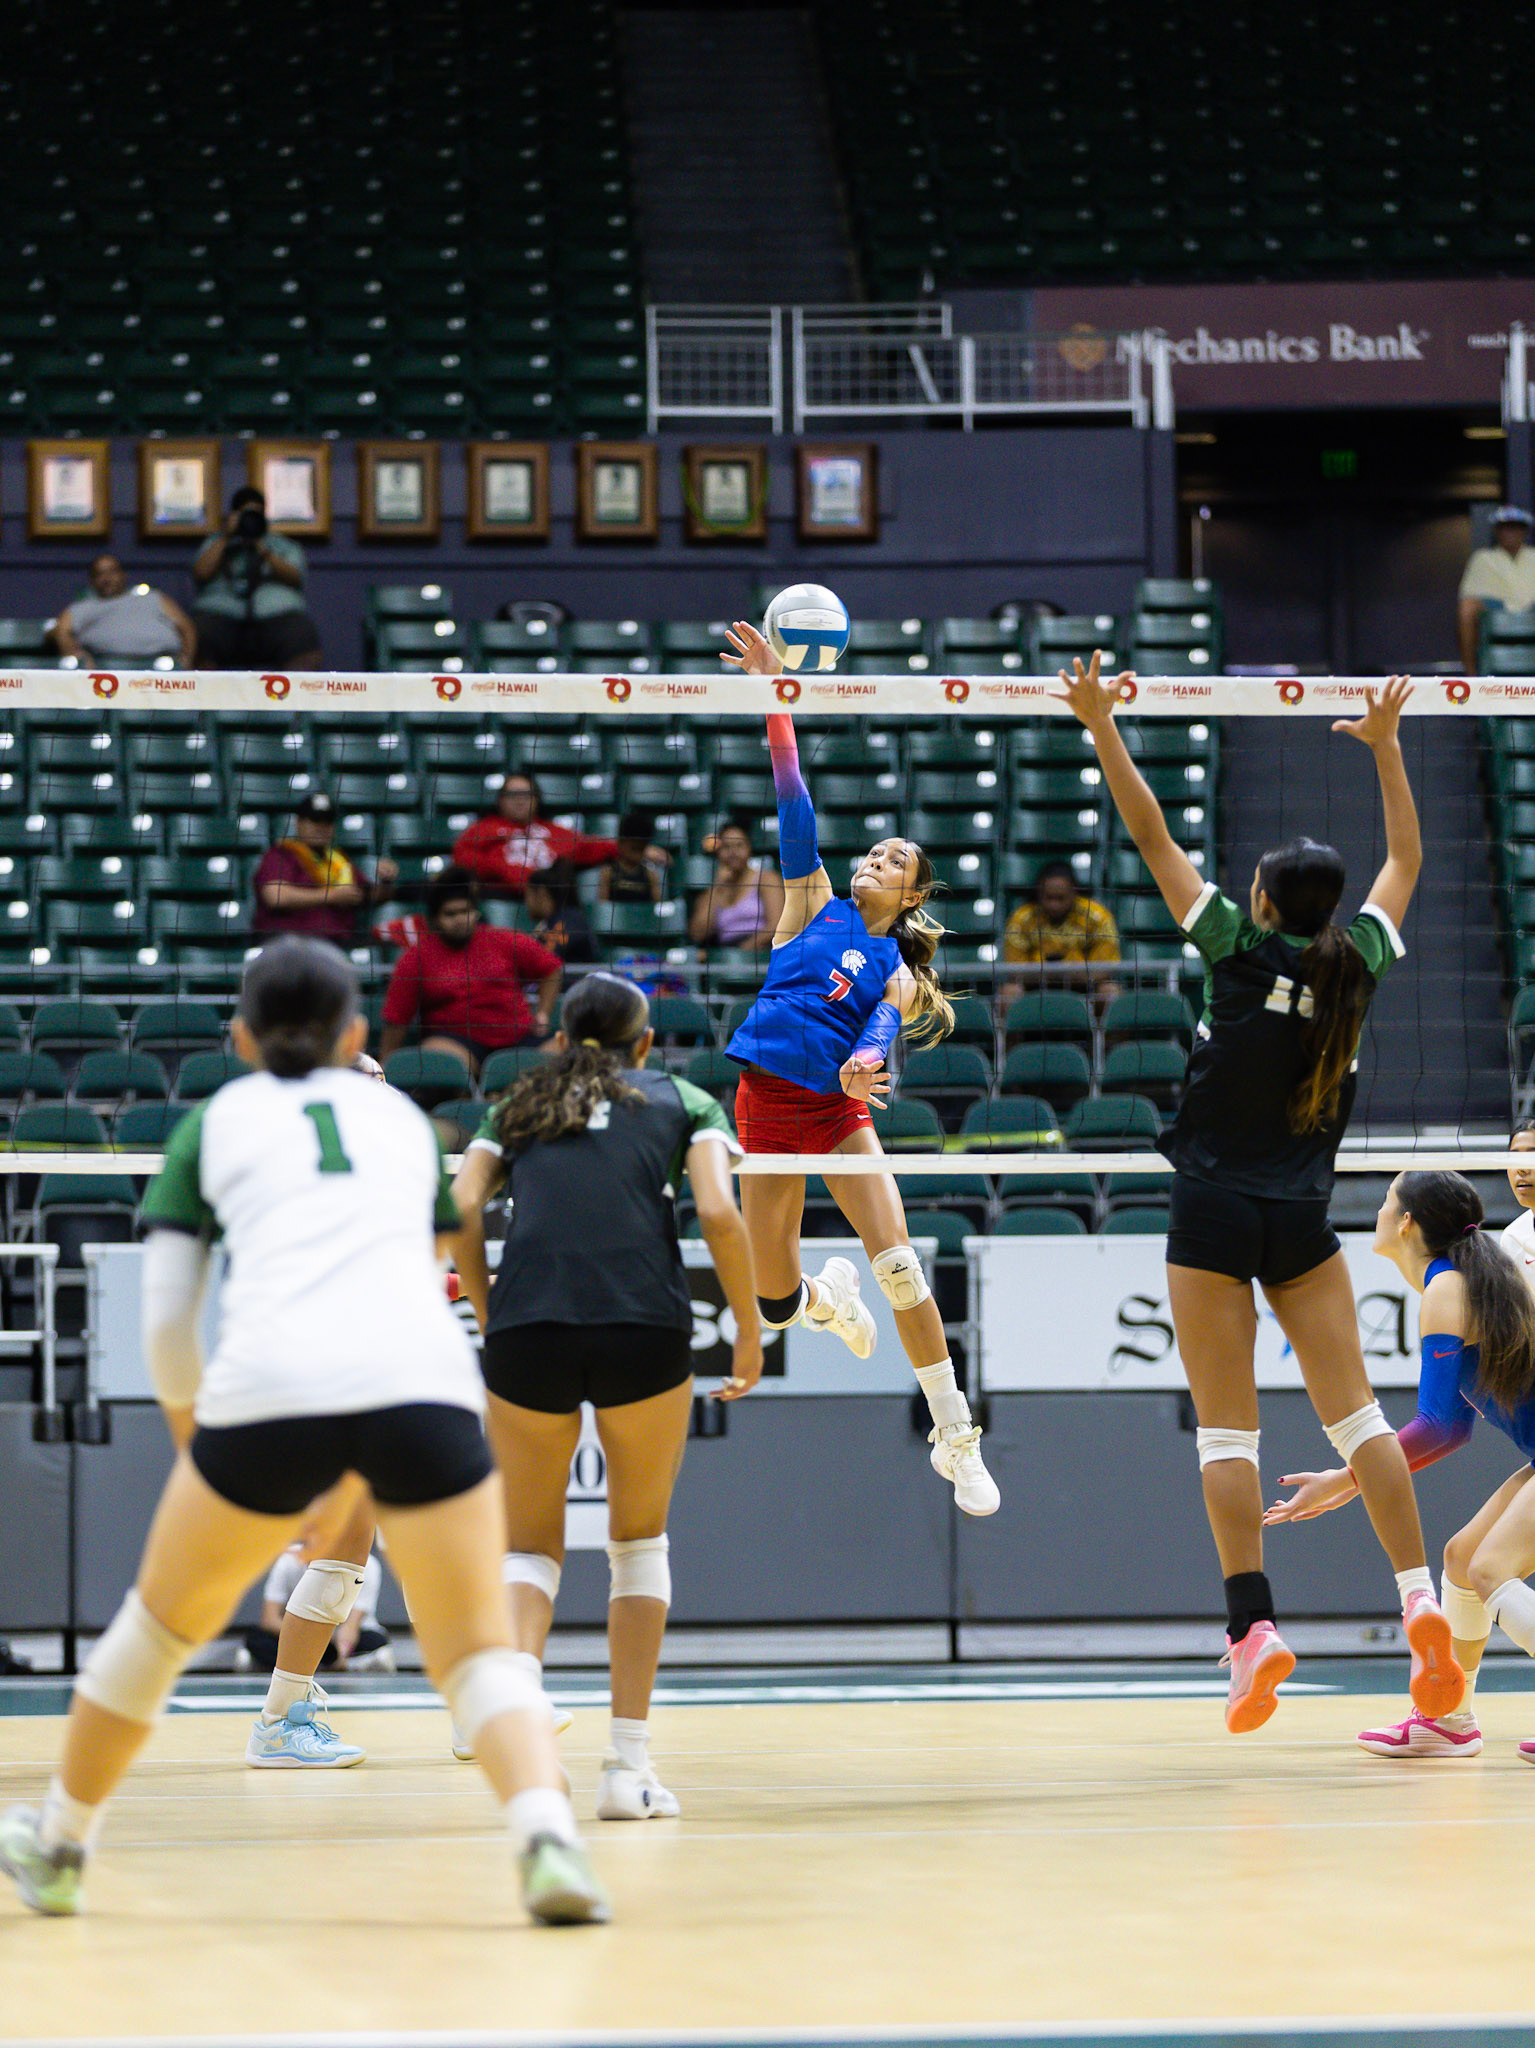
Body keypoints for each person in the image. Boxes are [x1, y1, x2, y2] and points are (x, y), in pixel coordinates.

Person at [0, 937, 606, 1924]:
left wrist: (208, 1449)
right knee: (480, 1653)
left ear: (238, 1035)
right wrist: (357, 1479)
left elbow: (165, 1321)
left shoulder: (214, 1121)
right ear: (357, 1033)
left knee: (152, 1633)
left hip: (269, 1382)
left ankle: (62, 1843)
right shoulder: (402, 1121)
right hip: (424, 1379)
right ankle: (548, 1840)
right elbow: (416, 1278)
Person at [1055, 652, 1461, 1735]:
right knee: (1359, 1416)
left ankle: (1252, 1630)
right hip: (1297, 1216)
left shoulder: (1231, 948)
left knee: (1223, 1436)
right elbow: (1407, 858)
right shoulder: (1354, 962)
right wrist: (1384, 749)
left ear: (1262, 901)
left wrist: (1101, 724)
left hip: (1208, 1210)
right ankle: (1416, 1596)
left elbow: (1149, 839)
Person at [451, 970, 761, 1822]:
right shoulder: (685, 1100)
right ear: (645, 1043)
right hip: (642, 1325)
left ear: (558, 1038)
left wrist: (488, 1305)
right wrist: (745, 1328)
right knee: (638, 1543)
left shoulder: (515, 1101)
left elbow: (459, 1205)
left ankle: (517, 1702)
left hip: (528, 1328)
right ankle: (626, 1771)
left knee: (528, 1550)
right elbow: (719, 1213)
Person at [717, 620, 1000, 1518]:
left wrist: (864, 1063)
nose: (874, 861)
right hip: (766, 1105)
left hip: (839, 1117)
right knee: (766, 1308)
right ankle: (819, 1303)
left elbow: (884, 1021)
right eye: (873, 852)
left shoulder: (904, 973)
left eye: (894, 861)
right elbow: (791, 796)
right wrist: (776, 696)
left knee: (903, 1268)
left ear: (914, 894)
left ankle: (954, 1434)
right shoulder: (809, 903)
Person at [1267, 1170, 1535, 1765]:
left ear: (1408, 1223)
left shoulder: (1448, 1289)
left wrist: (1342, 1481)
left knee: (1490, 1569)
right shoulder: (1463, 1283)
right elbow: (1455, 1429)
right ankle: (1447, 1720)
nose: (1381, 1211)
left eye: (1388, 1202)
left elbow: (1438, 1424)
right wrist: (1352, 1482)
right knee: (1462, 1563)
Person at [378, 868, 561, 1084]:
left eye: (466, 911)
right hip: (456, 1042)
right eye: (450, 914)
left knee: (564, 1049)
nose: (460, 920)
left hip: (519, 1038)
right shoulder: (416, 958)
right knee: (438, 1059)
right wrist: (382, 1073)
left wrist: (543, 1013)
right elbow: (396, 1020)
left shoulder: (504, 940)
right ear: (435, 919)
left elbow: (551, 969)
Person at [189, 486, 324, 672]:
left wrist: (264, 550)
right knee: (199, 637)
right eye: (244, 515)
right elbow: (201, 573)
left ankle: (287, 698)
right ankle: (207, 699)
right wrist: (226, 538)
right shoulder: (216, 543)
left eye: (256, 514)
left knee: (302, 637)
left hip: (276, 618)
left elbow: (296, 577)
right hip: (221, 617)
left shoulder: (281, 545)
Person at [252, 794, 398, 950]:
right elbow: (275, 896)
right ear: (298, 823)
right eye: (315, 820)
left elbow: (369, 896)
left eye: (327, 821)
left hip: (338, 945)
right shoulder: (282, 855)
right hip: (291, 945)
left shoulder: (339, 860)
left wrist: (386, 882)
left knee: (390, 947)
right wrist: (332, 896)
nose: (321, 827)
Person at [452, 770, 618, 899]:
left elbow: (590, 847)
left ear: (537, 799)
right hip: (500, 898)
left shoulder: (553, 831)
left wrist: (627, 847)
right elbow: (462, 855)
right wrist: (505, 871)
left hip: (549, 902)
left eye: (526, 795)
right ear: (500, 800)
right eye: (512, 795)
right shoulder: (484, 828)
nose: (520, 800)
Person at [1001, 859, 1121, 1008]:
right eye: (1049, 898)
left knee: (1110, 991)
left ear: (1074, 893)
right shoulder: (1021, 919)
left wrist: (1072, 973)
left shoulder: (1097, 916)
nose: (1054, 905)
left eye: (1060, 898)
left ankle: (1102, 1032)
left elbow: (1105, 968)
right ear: (1039, 893)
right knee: (1008, 992)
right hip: (1035, 986)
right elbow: (1014, 971)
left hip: (1084, 986)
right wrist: (1048, 974)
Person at [50, 555, 195, 669]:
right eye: (100, 574)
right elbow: (61, 631)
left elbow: (187, 628)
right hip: (107, 670)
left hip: (163, 667)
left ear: (123, 575)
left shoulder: (155, 598)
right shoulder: (81, 607)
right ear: (92, 581)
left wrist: (187, 659)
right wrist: (78, 656)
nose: (107, 578)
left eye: (112, 571)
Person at [687, 818, 784, 954]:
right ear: (718, 852)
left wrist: (742, 953)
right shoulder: (715, 890)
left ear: (749, 848)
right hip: (726, 956)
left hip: (762, 953)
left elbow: (777, 926)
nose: (733, 853)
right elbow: (698, 934)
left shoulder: (766, 879)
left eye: (739, 846)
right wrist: (718, 888)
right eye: (726, 847)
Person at [1458, 505, 1535, 674]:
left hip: (1532, 609)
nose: (1510, 532)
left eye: (1515, 527)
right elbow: (1471, 594)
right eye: (1504, 527)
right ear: (1496, 531)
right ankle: (1471, 676)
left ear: (1524, 531)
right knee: (1467, 608)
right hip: (1497, 607)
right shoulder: (1483, 557)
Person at [524, 860, 599, 968]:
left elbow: (546, 962)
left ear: (541, 893)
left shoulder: (568, 921)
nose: (526, 903)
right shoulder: (553, 921)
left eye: (527, 895)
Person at [599, 811, 667, 906]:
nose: (637, 855)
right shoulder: (609, 872)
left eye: (641, 849)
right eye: (634, 849)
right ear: (620, 843)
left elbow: (657, 907)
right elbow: (603, 907)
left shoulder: (650, 875)